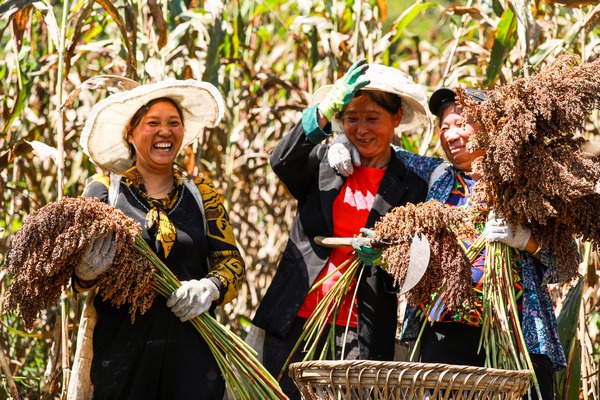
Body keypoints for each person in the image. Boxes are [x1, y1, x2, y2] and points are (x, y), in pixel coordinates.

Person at [328, 87, 574, 400]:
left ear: (493, 128)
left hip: (515, 335)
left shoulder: (528, 184)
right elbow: (379, 149)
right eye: (445, 127)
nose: (451, 135)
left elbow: (566, 265)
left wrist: (525, 241)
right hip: (444, 332)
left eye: (462, 124)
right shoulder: (436, 175)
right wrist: (341, 140)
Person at [250, 60, 433, 399]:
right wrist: (323, 112)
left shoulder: (413, 185)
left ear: (396, 119)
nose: (361, 129)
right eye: (351, 117)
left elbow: (420, 258)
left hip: (361, 326)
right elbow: (281, 159)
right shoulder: (326, 162)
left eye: (372, 118)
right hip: (299, 317)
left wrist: (388, 258)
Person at [71, 80, 245, 399]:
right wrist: (85, 270)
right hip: (122, 356)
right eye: (153, 123)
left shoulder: (203, 195)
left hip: (192, 356)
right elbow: (77, 283)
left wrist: (210, 288)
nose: (165, 131)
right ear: (131, 133)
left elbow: (232, 262)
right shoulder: (103, 192)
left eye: (173, 123)